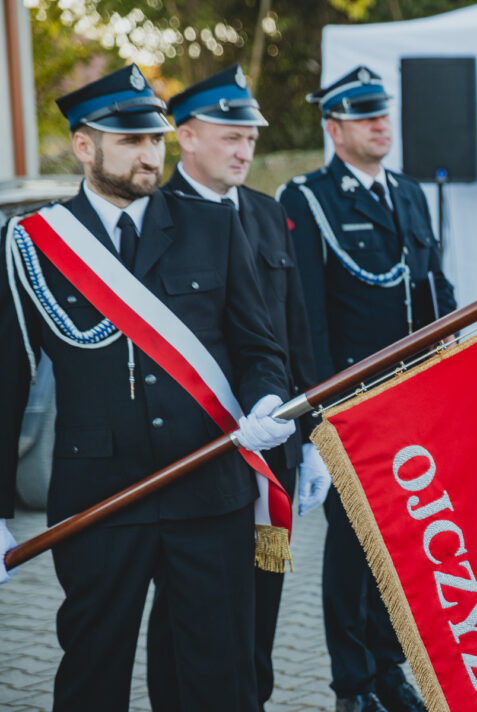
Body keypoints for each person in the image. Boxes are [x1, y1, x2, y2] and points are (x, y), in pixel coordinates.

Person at [0, 65, 296, 710]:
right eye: (131, 141)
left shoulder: (213, 226)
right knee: (91, 674)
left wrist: (268, 398)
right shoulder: (33, 243)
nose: (149, 154)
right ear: (85, 146)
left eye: (156, 140)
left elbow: (258, 348)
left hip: (208, 489)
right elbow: (7, 380)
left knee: (217, 678)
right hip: (100, 498)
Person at [144, 64, 331, 711]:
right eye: (229, 135)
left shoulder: (263, 211)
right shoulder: (156, 219)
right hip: (198, 456)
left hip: (268, 454)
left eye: (249, 137)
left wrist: (313, 439)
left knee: (260, 607)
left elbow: (293, 332)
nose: (244, 149)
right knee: (187, 619)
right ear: (186, 136)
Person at [277, 64, 456, 712]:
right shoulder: (309, 198)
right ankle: (351, 684)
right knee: (352, 551)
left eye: (385, 113)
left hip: (413, 399)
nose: (383, 124)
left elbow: (435, 289)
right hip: (350, 405)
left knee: (405, 541)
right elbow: (306, 316)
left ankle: (389, 667)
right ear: (335, 127)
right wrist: (318, 419)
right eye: (366, 115)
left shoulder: (409, 193)